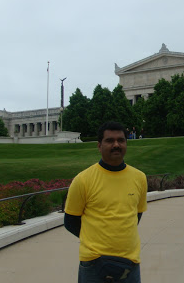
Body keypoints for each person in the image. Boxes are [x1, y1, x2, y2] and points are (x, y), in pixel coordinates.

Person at [64, 121, 148, 283]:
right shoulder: (83, 180)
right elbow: (70, 221)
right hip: (94, 264)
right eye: (110, 140)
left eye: (121, 140)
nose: (116, 145)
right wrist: (95, 241)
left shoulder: (139, 178)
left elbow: (136, 215)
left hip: (130, 262)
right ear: (99, 145)